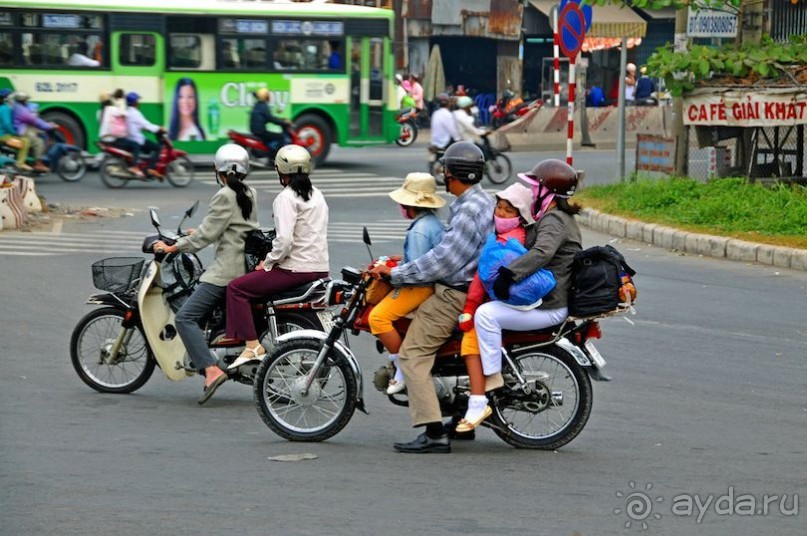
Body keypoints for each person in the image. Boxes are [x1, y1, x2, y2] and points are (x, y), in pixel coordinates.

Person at [369, 142, 494, 454]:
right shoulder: (479, 200)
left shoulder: (468, 211)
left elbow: (442, 261)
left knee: (412, 356)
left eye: (446, 172)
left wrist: (395, 275)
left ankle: (434, 432)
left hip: (454, 294)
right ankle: (459, 416)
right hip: (463, 289)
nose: (444, 177)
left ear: (454, 175)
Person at [152, 144, 258, 405]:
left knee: (186, 317)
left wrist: (171, 246)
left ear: (217, 169)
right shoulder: (248, 192)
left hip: (226, 272)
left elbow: (207, 236)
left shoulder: (224, 194)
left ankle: (211, 370)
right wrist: (197, 231)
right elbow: (230, 226)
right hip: (245, 267)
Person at [474, 159, 582, 389]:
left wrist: (508, 274)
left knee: (485, 315)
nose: (532, 193)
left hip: (549, 305)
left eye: (536, 188)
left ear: (548, 192)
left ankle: (492, 375)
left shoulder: (554, 220)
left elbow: (542, 252)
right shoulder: (558, 218)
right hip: (547, 300)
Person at [225, 145, 329, 367]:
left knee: (237, 288)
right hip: (320, 267)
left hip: (295, 269)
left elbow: (284, 241)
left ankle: (252, 346)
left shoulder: (286, 198)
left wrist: (268, 262)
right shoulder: (317, 195)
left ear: (280, 170)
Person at [455, 183, 534, 432]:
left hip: (501, 304)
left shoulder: (510, 242)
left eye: (507, 211)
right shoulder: (498, 238)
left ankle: (478, 401)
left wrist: (470, 307)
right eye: (498, 208)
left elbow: (483, 277)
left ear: (520, 216)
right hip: (496, 301)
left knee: (470, 340)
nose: (500, 214)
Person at [368, 173, 446, 395]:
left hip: (420, 287)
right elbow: (423, 258)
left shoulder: (420, 230)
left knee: (378, 318)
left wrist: (390, 271)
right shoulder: (431, 223)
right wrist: (399, 259)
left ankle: (402, 369)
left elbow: (417, 272)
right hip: (428, 282)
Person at [11, 93, 55, 173]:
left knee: (42, 133)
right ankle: (38, 163)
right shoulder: (21, 110)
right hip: (22, 131)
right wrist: (49, 126)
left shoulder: (19, 107)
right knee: (39, 142)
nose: (27, 101)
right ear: (22, 100)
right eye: (26, 100)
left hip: (24, 129)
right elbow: (35, 121)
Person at [125, 92, 164, 178]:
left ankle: (143, 165)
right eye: (138, 101)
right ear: (135, 102)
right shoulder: (135, 113)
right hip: (137, 139)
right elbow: (146, 124)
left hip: (130, 138)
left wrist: (147, 129)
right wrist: (160, 128)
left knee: (149, 148)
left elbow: (139, 125)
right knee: (158, 148)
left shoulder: (128, 112)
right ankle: (150, 168)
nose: (139, 103)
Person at [250, 88, 291, 157]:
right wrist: (283, 122)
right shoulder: (264, 106)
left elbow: (267, 118)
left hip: (256, 131)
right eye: (268, 95)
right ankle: (276, 157)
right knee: (281, 137)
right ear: (265, 96)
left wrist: (281, 119)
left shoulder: (257, 105)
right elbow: (271, 118)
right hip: (261, 132)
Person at [0, 89, 33, 172]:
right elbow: (7, 124)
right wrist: (15, 133)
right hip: (3, 135)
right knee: (25, 141)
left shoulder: (6, 108)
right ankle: (20, 163)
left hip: (4, 134)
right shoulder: (5, 108)